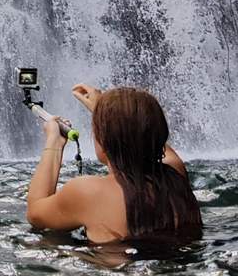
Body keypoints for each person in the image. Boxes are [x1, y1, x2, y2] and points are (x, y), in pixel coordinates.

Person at [25, 84, 203, 243]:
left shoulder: (88, 192)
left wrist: (53, 143)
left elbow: (35, 212)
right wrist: (108, 111)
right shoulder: (176, 174)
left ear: (103, 139)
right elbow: (148, 135)